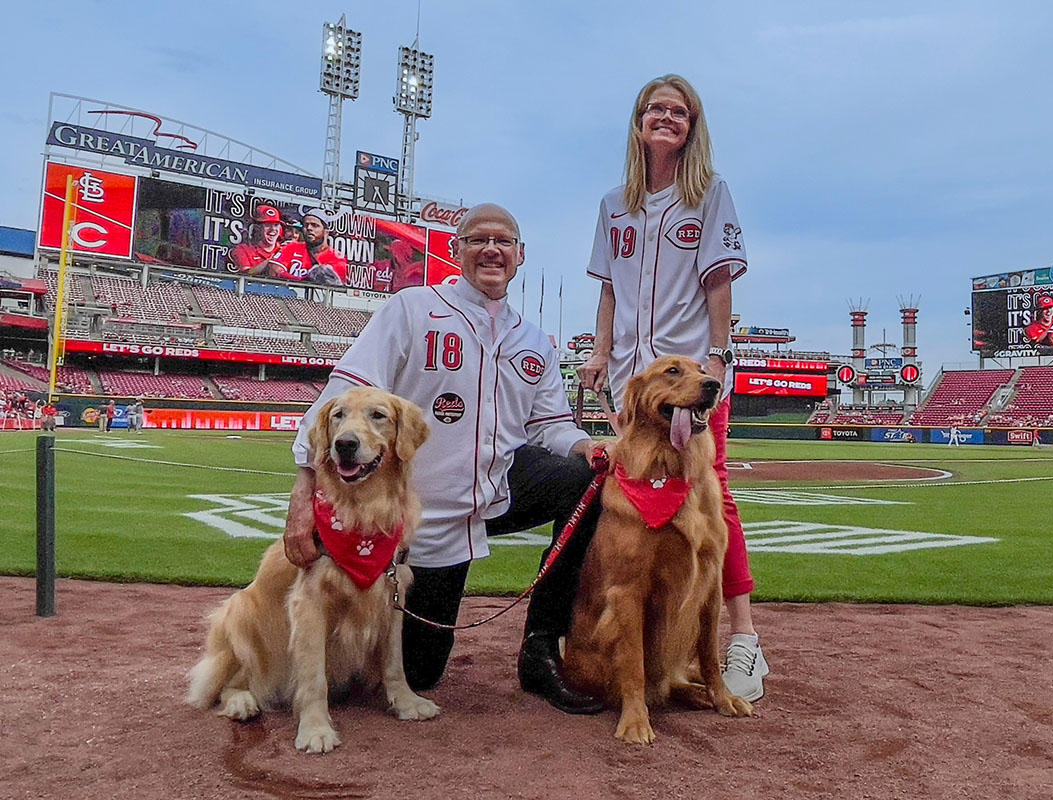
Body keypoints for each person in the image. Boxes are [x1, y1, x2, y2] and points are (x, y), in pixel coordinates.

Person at [285, 203, 606, 714]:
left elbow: (549, 427)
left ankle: (542, 648)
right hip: (415, 523)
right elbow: (341, 398)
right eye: (478, 239)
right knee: (421, 672)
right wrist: (304, 497)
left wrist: (586, 445)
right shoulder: (411, 308)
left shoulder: (534, 341)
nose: (491, 250)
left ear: (519, 256)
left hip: (495, 494)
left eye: (503, 241)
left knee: (583, 480)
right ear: (456, 250)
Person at [577, 74, 768, 702]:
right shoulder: (614, 203)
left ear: (692, 126)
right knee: (618, 496)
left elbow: (719, 283)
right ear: (638, 124)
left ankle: (743, 639)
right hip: (634, 384)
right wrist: (599, 352)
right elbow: (608, 288)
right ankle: (603, 634)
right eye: (656, 110)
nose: (667, 118)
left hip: (692, 377)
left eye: (679, 112)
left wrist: (716, 359)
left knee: (715, 498)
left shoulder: (709, 194)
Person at [267, 209, 349, 286]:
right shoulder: (291, 247)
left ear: (326, 232)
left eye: (315, 225)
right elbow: (273, 271)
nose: (309, 228)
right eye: (306, 225)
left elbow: (334, 286)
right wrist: (303, 281)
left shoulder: (337, 258)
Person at [228, 204, 285, 273]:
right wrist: (272, 260)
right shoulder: (243, 249)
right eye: (267, 225)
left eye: (276, 225)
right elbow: (247, 275)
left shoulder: (285, 249)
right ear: (257, 227)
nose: (273, 229)